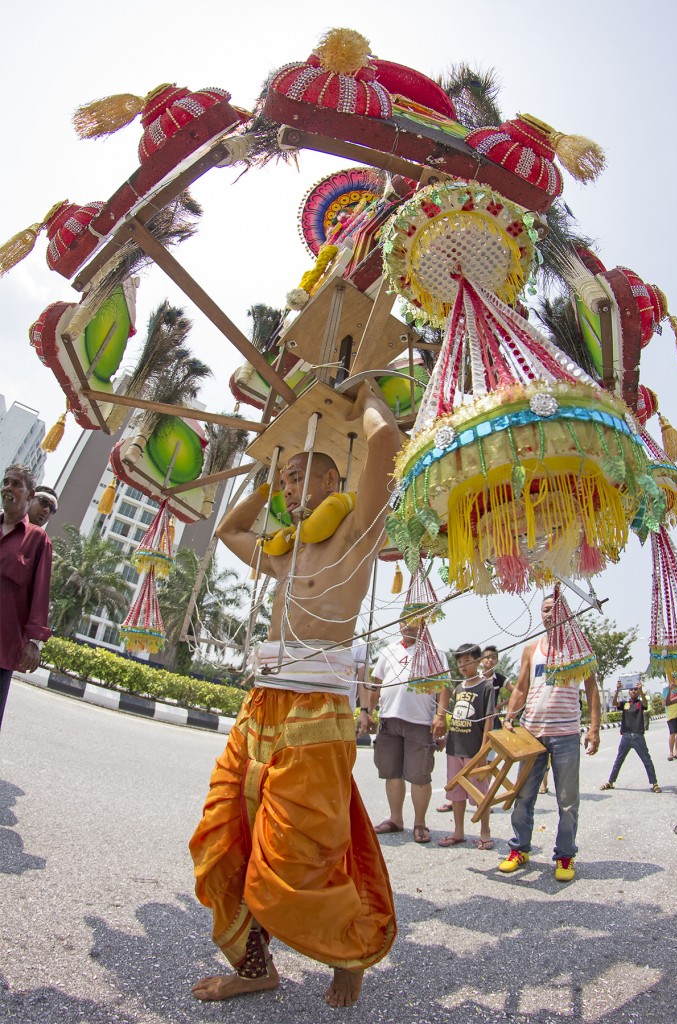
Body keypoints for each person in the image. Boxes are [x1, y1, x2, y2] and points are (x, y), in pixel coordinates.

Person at [189, 382, 400, 1008]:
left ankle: (349, 951)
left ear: (335, 481)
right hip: (261, 706)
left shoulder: (356, 533)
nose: (286, 489)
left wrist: (364, 396)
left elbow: (385, 441)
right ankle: (255, 966)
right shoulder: (284, 556)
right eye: (283, 480)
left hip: (318, 712)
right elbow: (230, 529)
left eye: (300, 475)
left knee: (299, 857)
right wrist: (268, 467)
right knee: (220, 838)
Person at [498, 594, 601, 882]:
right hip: (532, 734)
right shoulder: (532, 649)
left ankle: (565, 856)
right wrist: (509, 716)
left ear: (567, 613)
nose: (549, 614)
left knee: (567, 801)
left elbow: (592, 689)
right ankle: (520, 849)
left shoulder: (579, 648)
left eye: (555, 609)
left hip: (566, 735)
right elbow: (520, 687)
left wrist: (594, 728)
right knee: (523, 796)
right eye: (545, 609)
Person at [358, 616, 448, 844]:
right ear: (398, 624)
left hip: (419, 721)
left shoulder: (434, 650)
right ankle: (396, 820)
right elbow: (375, 684)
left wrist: (440, 716)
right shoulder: (388, 651)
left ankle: (420, 823)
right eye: (404, 621)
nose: (407, 625)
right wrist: (366, 710)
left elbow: (444, 684)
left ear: (424, 624)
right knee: (392, 773)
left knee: (419, 775)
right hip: (389, 719)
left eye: (414, 620)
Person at [0, 464, 52, 731]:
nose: (8, 488)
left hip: (3, 644)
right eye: (6, 482)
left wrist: (33, 642)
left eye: (16, 484)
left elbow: (40, 593)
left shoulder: (37, 539)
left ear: (29, 495)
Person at [433, 643, 496, 849]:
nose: (463, 665)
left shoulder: (486, 686)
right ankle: (458, 831)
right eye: (459, 662)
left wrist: (484, 749)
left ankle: (485, 832)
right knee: (456, 793)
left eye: (467, 661)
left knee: (480, 793)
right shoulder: (459, 688)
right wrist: (447, 739)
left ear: (478, 662)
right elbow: (457, 717)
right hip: (455, 749)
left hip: (474, 749)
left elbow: (489, 719)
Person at [600, 680, 661, 793]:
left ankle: (654, 783)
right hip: (626, 737)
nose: (633, 691)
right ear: (628, 692)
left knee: (647, 760)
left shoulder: (640, 703)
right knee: (619, 760)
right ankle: (610, 781)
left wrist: (641, 691)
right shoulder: (625, 704)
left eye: (635, 689)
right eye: (631, 689)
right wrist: (617, 690)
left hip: (638, 737)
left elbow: (645, 705)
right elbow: (615, 703)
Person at [662, 679, 677, 760]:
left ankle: (676, 752)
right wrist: (670, 690)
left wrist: (671, 701)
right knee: (673, 733)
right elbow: (665, 703)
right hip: (671, 715)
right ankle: (671, 752)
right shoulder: (666, 690)